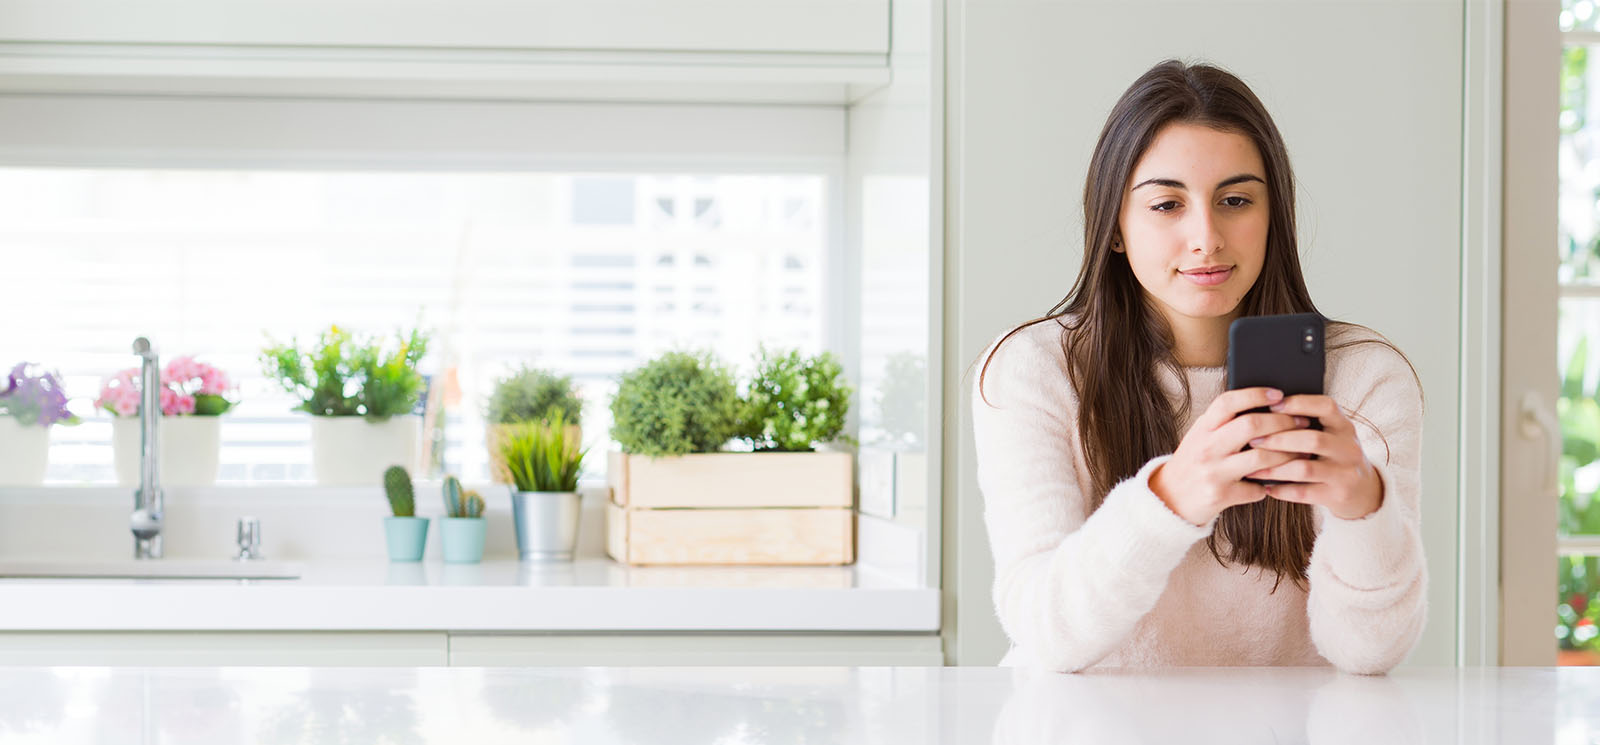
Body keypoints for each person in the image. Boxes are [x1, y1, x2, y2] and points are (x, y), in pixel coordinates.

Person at [972, 59, 1426, 674]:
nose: (1206, 236)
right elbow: (1046, 632)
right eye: (1166, 205)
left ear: (1275, 217)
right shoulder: (1033, 371)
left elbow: (1370, 655)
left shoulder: (1364, 378)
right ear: (1115, 229)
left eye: (1235, 200)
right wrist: (1170, 497)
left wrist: (1364, 507)